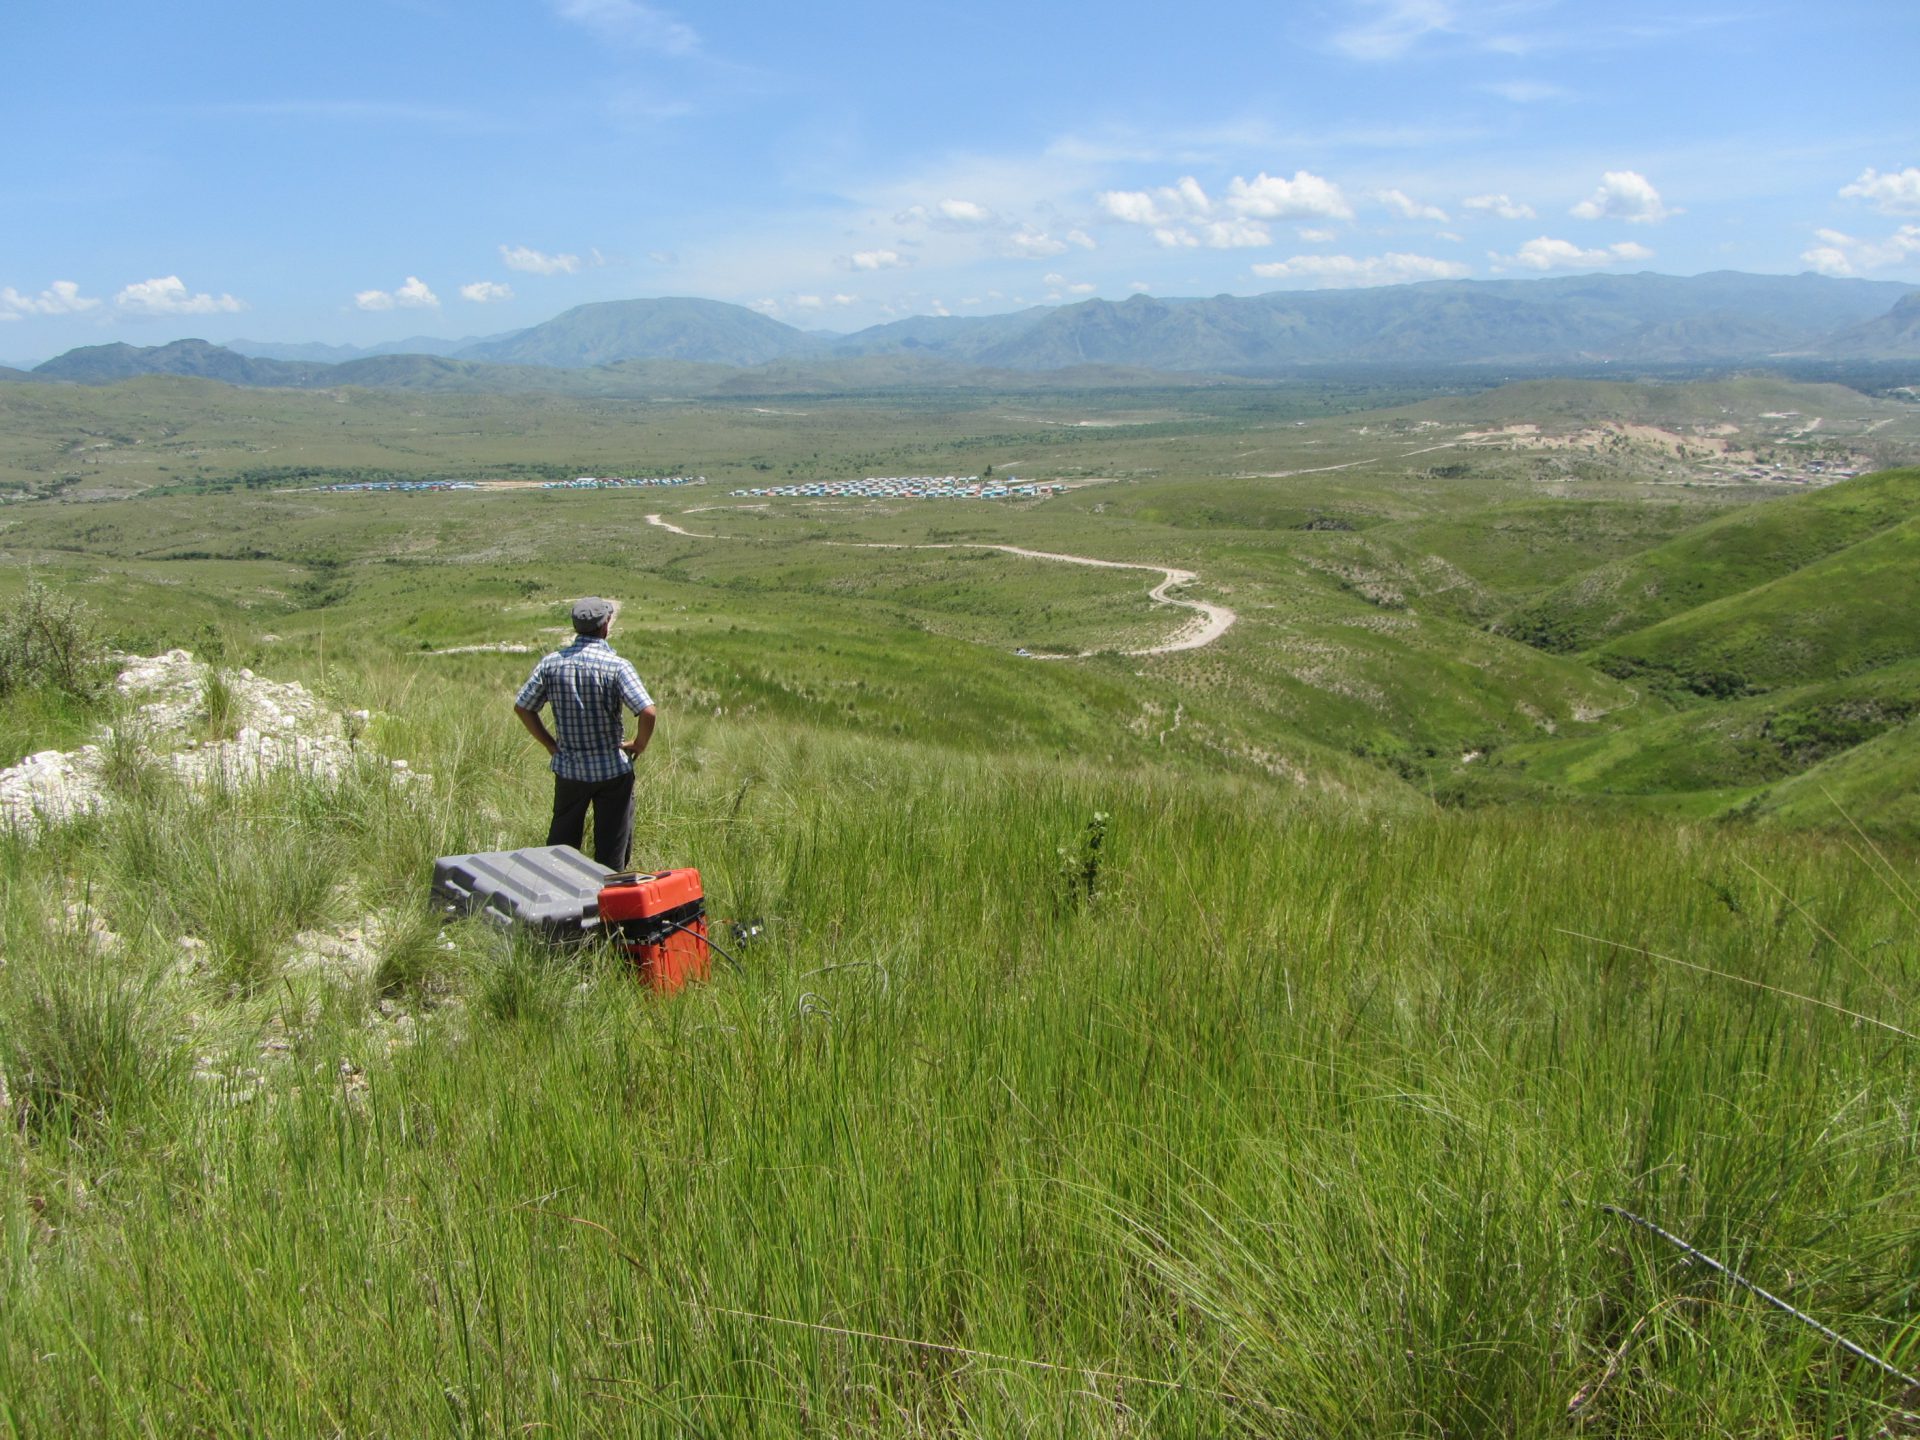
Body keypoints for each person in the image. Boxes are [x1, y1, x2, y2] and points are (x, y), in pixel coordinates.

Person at [513, 597, 657, 870]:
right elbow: (648, 712)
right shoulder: (617, 666)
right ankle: (609, 904)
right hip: (612, 770)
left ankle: (556, 897)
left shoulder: (551, 664)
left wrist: (550, 745)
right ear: (605, 626)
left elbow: (523, 707)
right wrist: (639, 744)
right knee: (611, 848)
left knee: (561, 847)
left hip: (569, 768)